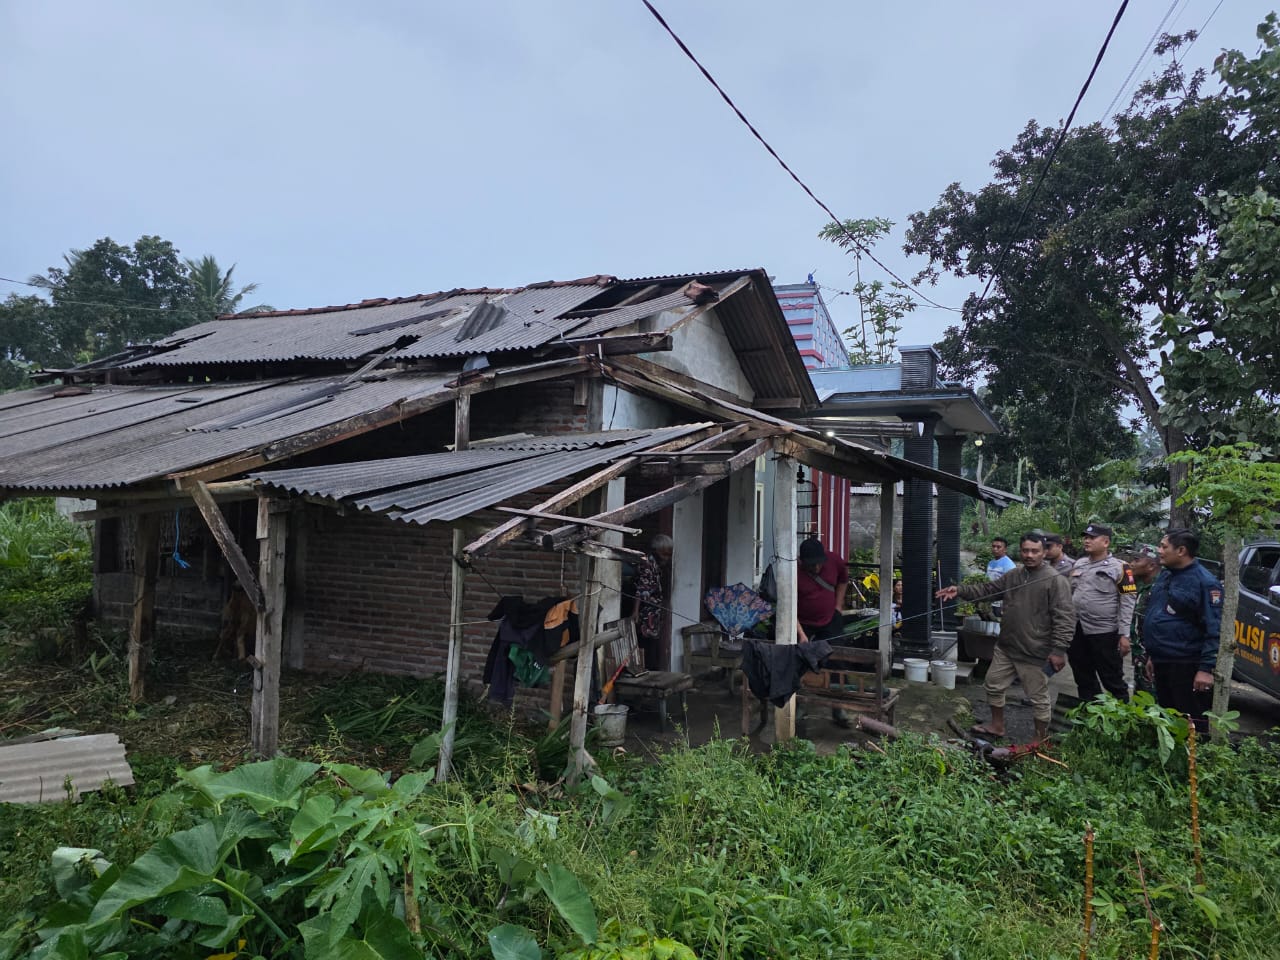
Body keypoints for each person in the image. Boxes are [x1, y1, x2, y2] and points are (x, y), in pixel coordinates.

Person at [937, 532, 1074, 741]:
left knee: (1038, 698)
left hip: (1034, 651)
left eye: (1034, 551)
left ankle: (1039, 741)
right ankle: (997, 725)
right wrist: (961, 590)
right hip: (1007, 646)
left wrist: (1059, 650)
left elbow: (1065, 617)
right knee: (993, 684)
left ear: (1044, 552)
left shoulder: (1056, 581)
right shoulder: (1014, 575)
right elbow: (988, 589)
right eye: (1025, 551)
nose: (1029, 555)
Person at [1142, 528, 1224, 731]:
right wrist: (1152, 655)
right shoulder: (1165, 576)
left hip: (1186, 663)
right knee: (1166, 720)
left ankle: (1196, 752)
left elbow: (1215, 629)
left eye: (1164, 547)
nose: (1159, 551)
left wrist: (1205, 669)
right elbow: (1158, 613)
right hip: (1162, 660)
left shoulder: (1205, 583)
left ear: (1181, 551)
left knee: (1191, 721)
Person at [1066, 523, 1137, 703]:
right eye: (1086, 537)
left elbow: (1128, 602)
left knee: (1111, 677)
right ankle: (1091, 710)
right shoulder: (1079, 564)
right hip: (1078, 628)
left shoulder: (1121, 568)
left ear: (1106, 542)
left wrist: (1124, 635)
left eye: (1092, 537)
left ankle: (1121, 713)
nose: (1087, 540)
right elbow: (1071, 593)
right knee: (1082, 674)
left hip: (1104, 632)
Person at [632, 534, 673, 670]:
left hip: (654, 612)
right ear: (657, 550)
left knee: (653, 642)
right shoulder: (647, 564)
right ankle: (647, 670)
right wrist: (635, 611)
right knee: (646, 643)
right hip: (646, 611)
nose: (667, 557)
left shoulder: (657, 565)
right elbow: (640, 589)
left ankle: (653, 670)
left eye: (669, 554)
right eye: (665, 554)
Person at [1127, 543, 1160, 696]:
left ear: (1151, 566)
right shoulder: (1142, 586)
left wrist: (1153, 656)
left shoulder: (1158, 590)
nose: (1132, 564)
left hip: (1150, 657)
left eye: (1137, 560)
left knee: (1150, 699)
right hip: (1139, 655)